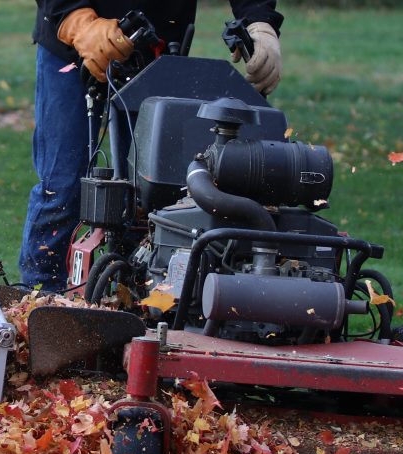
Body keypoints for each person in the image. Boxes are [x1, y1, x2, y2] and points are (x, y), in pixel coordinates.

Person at [20, 1, 284, 292]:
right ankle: (38, 298)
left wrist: (259, 21)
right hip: (70, 46)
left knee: (150, 192)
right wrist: (76, 20)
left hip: (155, 46)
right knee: (63, 185)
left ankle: (136, 303)